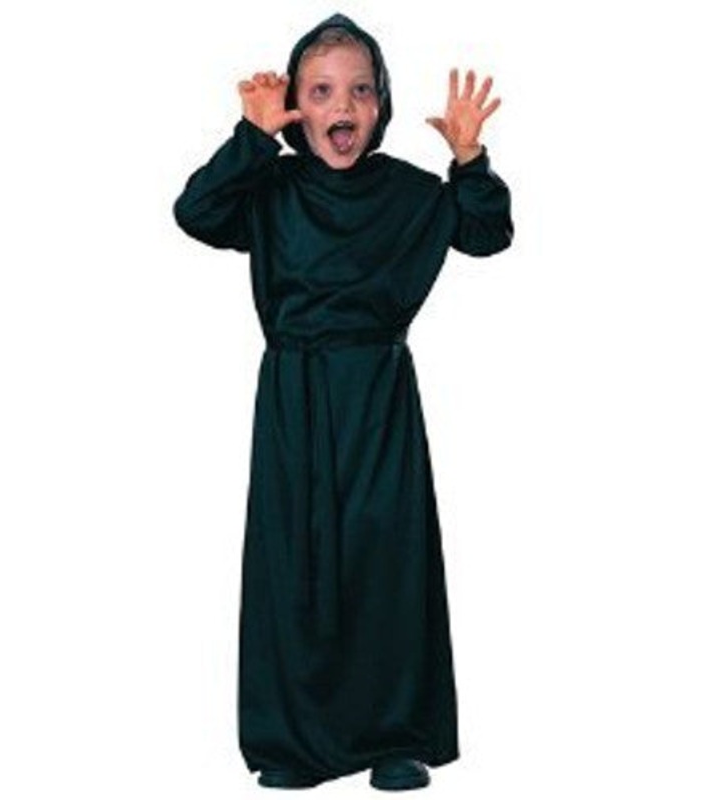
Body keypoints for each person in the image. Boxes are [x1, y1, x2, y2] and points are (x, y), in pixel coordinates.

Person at [172, 12, 513, 792]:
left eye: (361, 90)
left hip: (379, 394)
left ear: (381, 102)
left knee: (385, 557)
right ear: (297, 106)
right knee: (294, 559)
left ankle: (397, 736)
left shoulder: (406, 193)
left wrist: (470, 158)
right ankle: (294, 745)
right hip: (293, 391)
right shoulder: (271, 188)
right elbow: (196, 213)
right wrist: (251, 138)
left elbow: (486, 232)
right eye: (322, 91)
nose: (344, 106)